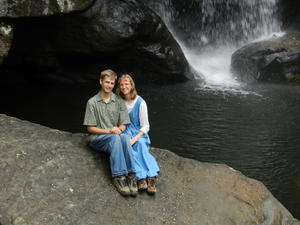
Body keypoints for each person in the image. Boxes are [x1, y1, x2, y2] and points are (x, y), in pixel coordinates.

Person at [83, 69, 138, 197]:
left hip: (115, 136)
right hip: (98, 138)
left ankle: (131, 175)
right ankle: (119, 176)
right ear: (101, 81)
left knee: (124, 137)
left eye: (112, 83)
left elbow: (124, 123)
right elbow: (90, 128)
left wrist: (120, 129)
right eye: (107, 82)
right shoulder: (92, 102)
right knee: (116, 139)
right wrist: (110, 131)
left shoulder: (118, 101)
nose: (109, 85)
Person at [116, 74, 160, 195]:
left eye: (126, 84)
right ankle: (141, 177)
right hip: (124, 131)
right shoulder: (119, 101)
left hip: (138, 133)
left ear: (131, 85)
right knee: (129, 149)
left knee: (140, 146)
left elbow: (146, 126)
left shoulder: (140, 102)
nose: (124, 87)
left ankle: (151, 177)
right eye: (121, 84)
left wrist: (135, 138)